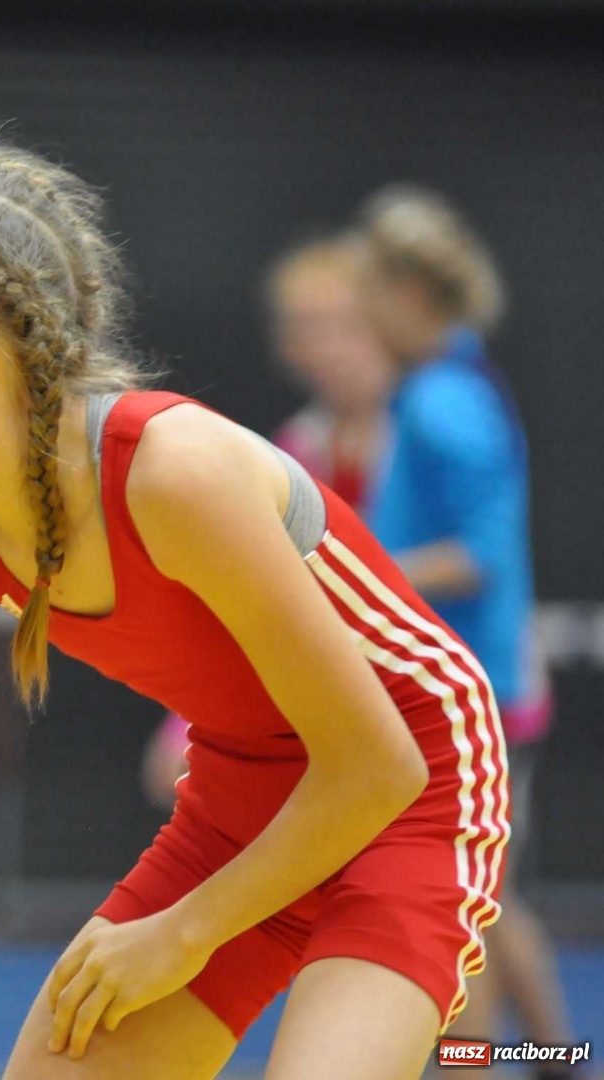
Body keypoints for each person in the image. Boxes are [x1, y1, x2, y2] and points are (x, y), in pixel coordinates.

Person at [0, 128, 508, 1080]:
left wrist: (183, 933)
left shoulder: (172, 474)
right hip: (245, 804)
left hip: (406, 789)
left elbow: (377, 766)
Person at [357, 185, 576, 1079]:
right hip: (487, 687)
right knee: (492, 899)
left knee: (463, 910)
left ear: (410, 295)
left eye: (371, 293)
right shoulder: (457, 382)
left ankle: (466, 1068)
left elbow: (479, 552)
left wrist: (360, 572)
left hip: (471, 695)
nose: (363, 313)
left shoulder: (441, 399)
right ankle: (563, 1060)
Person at [141, 234, 394, 807]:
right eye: (304, 328)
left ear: (387, 322)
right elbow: (246, 595)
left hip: (437, 686)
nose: (323, 347)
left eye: (341, 324)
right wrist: (184, 723)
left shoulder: (425, 429)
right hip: (332, 691)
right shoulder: (296, 447)